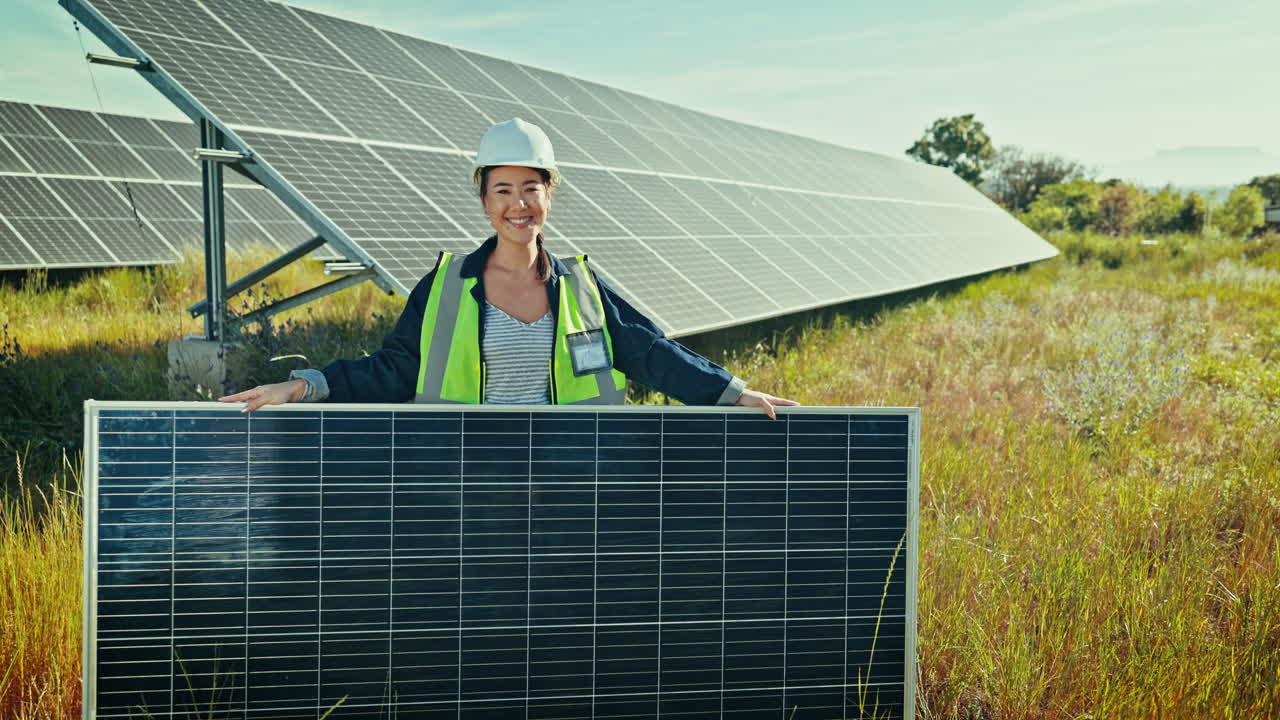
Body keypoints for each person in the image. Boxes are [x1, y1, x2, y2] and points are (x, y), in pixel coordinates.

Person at [220, 119, 798, 417]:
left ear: (550, 196)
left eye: (530, 188)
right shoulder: (446, 286)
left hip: (572, 483)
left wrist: (732, 391)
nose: (517, 204)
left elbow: (648, 353)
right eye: (503, 190)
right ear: (484, 200)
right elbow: (393, 369)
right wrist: (303, 386)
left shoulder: (582, 288)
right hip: (469, 479)